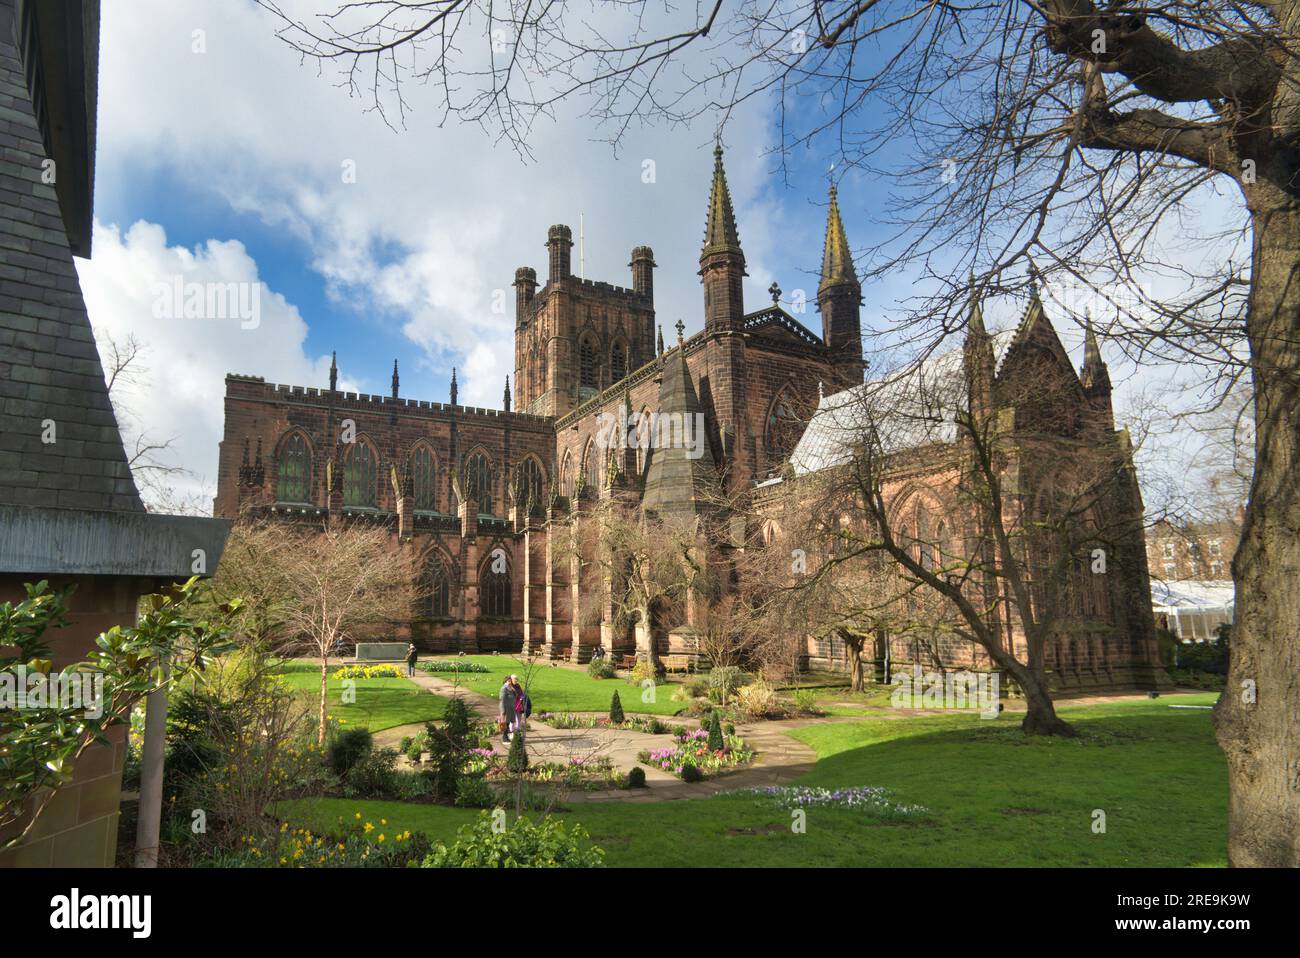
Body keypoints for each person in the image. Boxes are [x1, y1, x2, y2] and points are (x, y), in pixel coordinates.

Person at [509, 675, 531, 739]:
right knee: (512, 720)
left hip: (519, 705)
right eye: (515, 679)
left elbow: (522, 694)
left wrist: (522, 697)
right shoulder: (509, 686)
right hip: (512, 705)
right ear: (511, 679)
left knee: (518, 719)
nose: (516, 680)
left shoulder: (518, 686)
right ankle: (511, 733)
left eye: (517, 679)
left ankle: (518, 733)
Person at [498, 675, 518, 742]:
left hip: (511, 709)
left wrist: (513, 689)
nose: (510, 682)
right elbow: (502, 700)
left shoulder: (510, 688)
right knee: (505, 724)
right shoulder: (504, 688)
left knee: (508, 723)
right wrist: (503, 710)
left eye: (510, 681)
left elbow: (515, 696)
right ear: (505, 681)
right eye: (508, 681)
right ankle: (504, 738)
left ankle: (506, 737)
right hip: (506, 709)